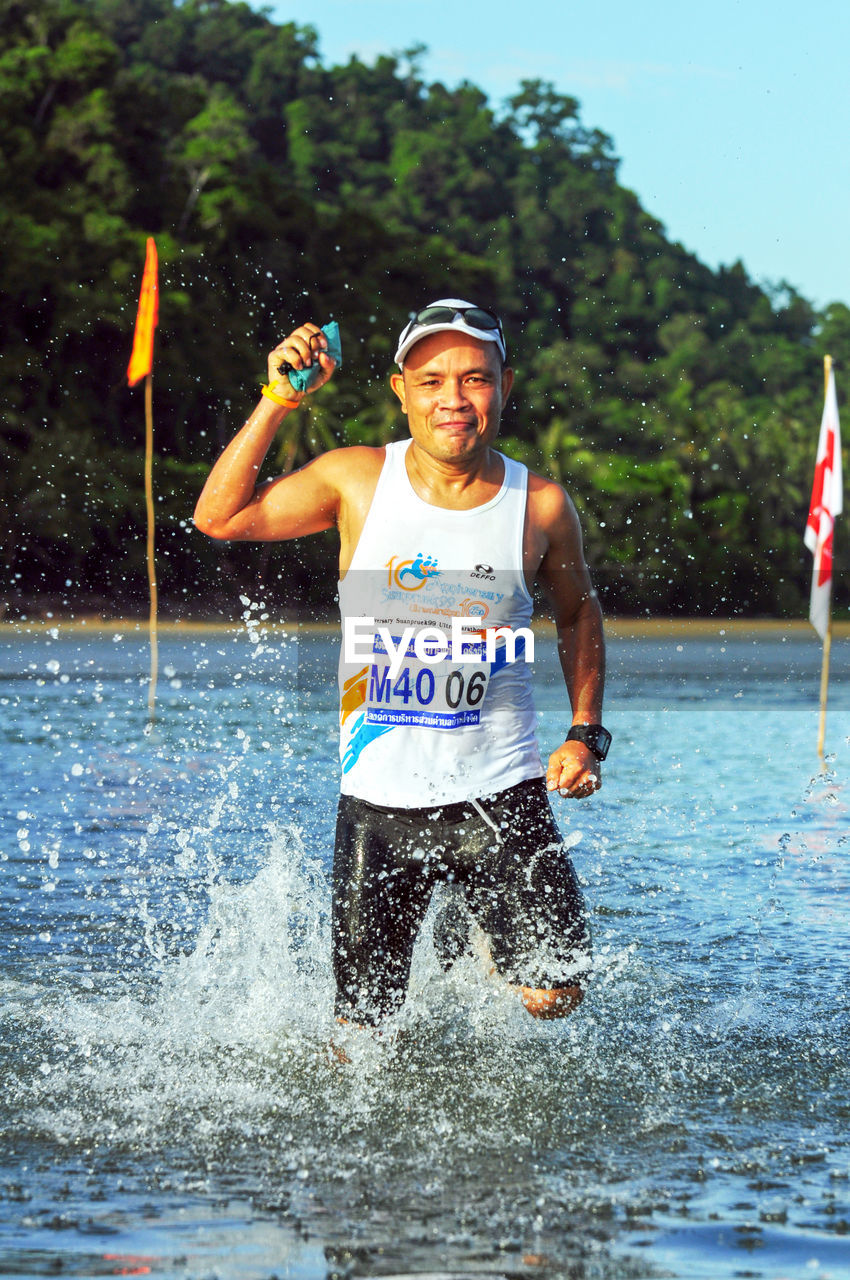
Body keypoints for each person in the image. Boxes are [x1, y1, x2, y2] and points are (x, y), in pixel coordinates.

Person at [194, 298, 610, 1028]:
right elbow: (219, 518)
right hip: (379, 806)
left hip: (500, 794)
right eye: (432, 380)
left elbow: (578, 612)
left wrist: (584, 734)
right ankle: (458, 926)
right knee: (362, 1036)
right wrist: (276, 401)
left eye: (475, 379)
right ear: (401, 391)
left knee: (556, 997)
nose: (454, 398)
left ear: (504, 388)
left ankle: (477, 929)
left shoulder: (539, 506)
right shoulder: (356, 480)